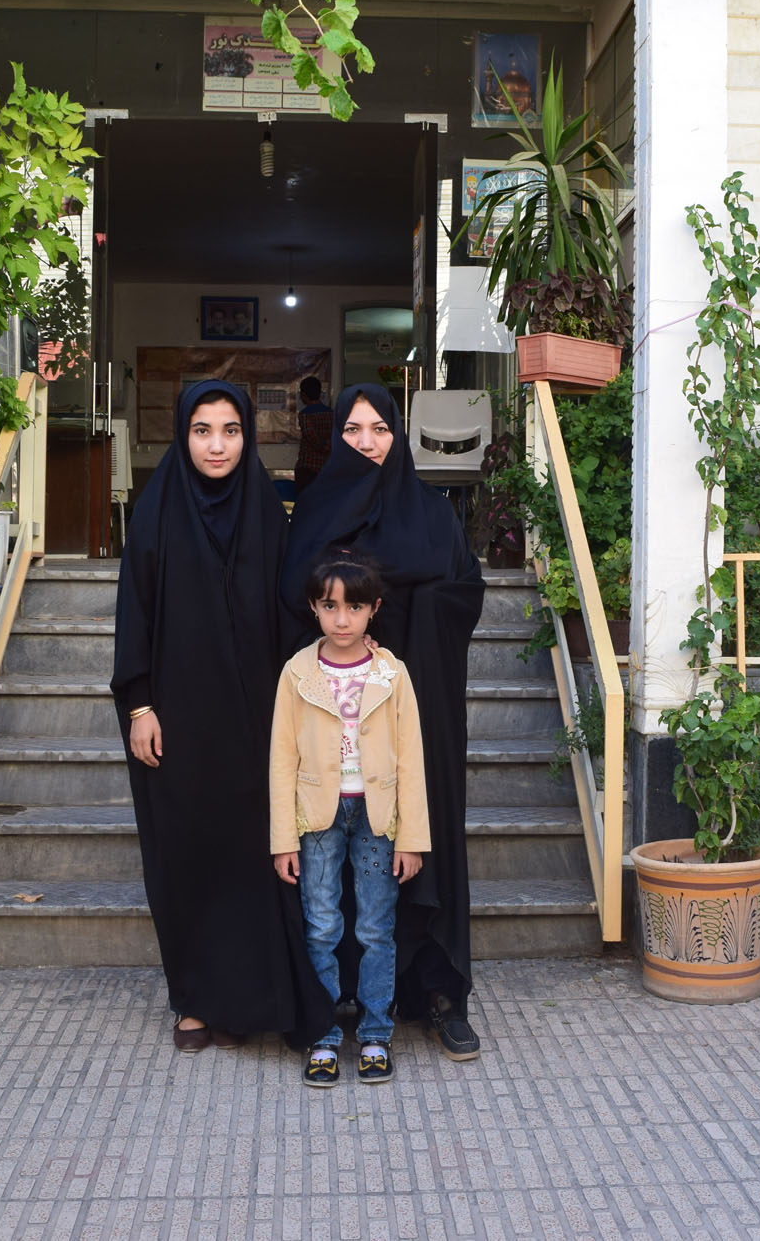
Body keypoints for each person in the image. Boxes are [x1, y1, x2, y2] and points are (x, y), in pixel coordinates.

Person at [111, 380, 333, 1053]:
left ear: (248, 435)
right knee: (186, 857)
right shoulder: (155, 514)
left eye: (231, 430)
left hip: (255, 722)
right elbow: (134, 615)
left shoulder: (265, 511)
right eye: (202, 430)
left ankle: (254, 999)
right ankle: (193, 1000)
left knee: (252, 858)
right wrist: (139, 705)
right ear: (184, 435)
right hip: (177, 723)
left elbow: (291, 612)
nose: (217, 445)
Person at [282, 384, 487, 1060]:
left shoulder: (431, 511)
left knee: (416, 842)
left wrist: (409, 617)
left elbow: (464, 590)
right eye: (351, 429)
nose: (366, 442)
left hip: (416, 700)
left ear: (398, 434)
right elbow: (293, 596)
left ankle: (436, 993)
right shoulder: (314, 512)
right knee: (327, 871)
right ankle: (336, 998)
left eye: (378, 428)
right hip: (333, 722)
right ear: (334, 436)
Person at [270, 549, 429, 1088]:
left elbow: (411, 759)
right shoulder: (297, 672)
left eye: (354, 607)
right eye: (330, 606)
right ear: (314, 608)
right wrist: (281, 838)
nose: (342, 619)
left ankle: (376, 1033)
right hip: (316, 815)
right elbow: (281, 758)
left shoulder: (391, 673)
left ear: (374, 609)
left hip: (378, 815)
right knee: (321, 925)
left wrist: (412, 838)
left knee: (376, 927)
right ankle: (323, 1035)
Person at [292, 375, 332, 495]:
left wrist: (322, 446)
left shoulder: (304, 415)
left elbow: (312, 438)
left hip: (308, 467)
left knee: (305, 501)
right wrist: (327, 446)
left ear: (304, 395)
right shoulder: (331, 413)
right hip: (326, 466)